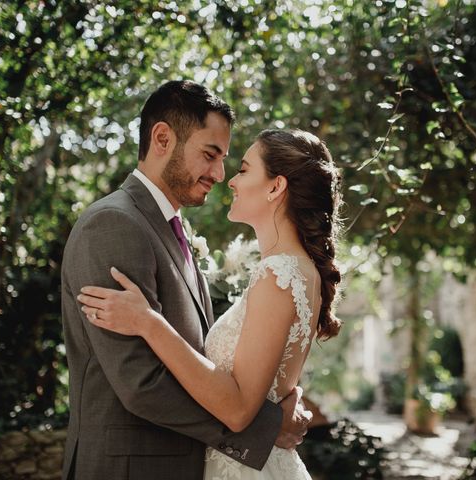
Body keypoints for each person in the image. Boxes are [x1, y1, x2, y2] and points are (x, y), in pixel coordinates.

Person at [61, 81, 312, 480]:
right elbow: (141, 382)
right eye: (209, 154)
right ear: (162, 138)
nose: (219, 173)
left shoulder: (167, 228)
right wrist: (264, 425)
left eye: (225, 159)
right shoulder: (112, 225)